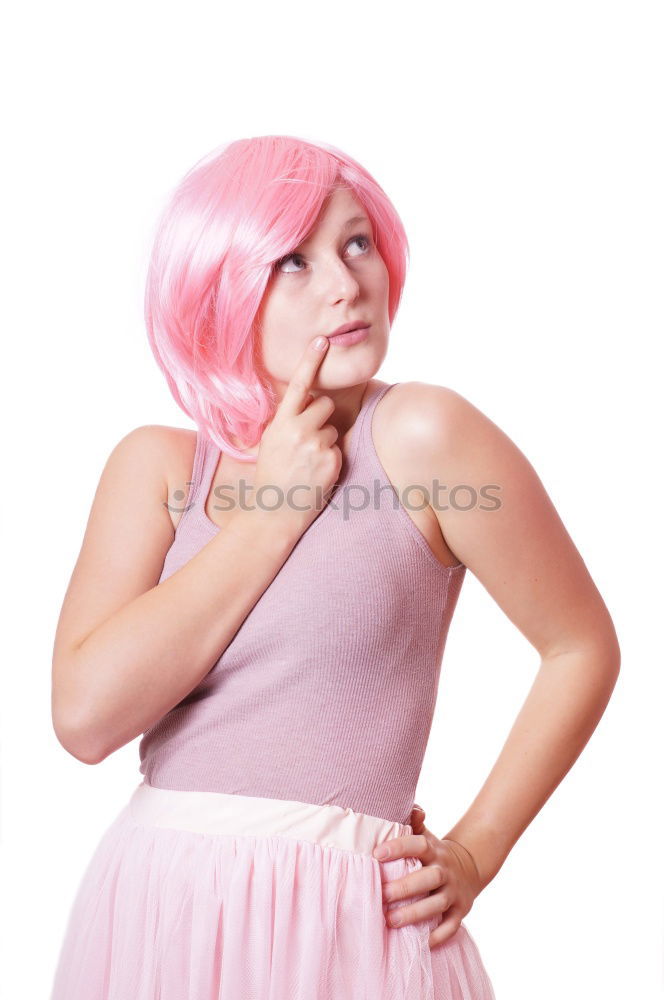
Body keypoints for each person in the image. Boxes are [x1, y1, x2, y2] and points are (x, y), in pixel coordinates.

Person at [49, 134, 620, 1000]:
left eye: (358, 243)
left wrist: (476, 848)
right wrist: (275, 508)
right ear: (219, 288)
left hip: (345, 924)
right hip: (157, 910)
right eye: (292, 260)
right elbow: (87, 719)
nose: (348, 284)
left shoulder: (425, 438)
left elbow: (581, 645)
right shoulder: (158, 468)